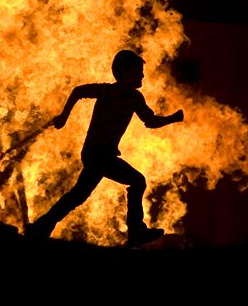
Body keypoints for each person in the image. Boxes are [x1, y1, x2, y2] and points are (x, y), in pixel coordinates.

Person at [26, 49, 184, 246]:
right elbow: (78, 91)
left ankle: (42, 226)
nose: (142, 75)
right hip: (95, 153)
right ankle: (136, 231)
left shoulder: (135, 98)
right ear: (125, 73)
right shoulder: (106, 91)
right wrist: (64, 117)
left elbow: (150, 121)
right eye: (138, 71)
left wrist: (172, 118)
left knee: (79, 195)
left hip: (104, 155)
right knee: (136, 181)